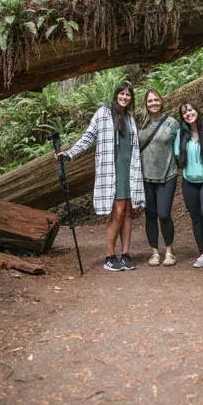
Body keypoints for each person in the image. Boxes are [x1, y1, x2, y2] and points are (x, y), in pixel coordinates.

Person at [57, 81, 145, 272]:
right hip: (111, 171)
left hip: (130, 170)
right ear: (116, 95)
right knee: (118, 212)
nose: (124, 97)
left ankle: (126, 254)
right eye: (121, 93)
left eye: (128, 95)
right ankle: (109, 255)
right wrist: (70, 153)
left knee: (129, 212)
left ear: (131, 98)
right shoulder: (103, 113)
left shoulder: (130, 117)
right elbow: (88, 137)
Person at [174, 102, 203, 268]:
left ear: (197, 110)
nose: (188, 114)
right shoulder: (181, 134)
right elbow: (177, 156)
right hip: (189, 180)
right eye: (184, 112)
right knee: (196, 216)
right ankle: (202, 252)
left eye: (191, 110)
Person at [139, 89, 179, 267]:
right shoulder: (141, 123)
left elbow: (181, 145)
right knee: (150, 215)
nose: (153, 103)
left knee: (163, 214)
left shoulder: (172, 123)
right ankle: (154, 252)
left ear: (161, 101)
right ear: (145, 104)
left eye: (156, 100)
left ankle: (169, 251)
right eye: (150, 101)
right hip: (145, 176)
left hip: (167, 175)